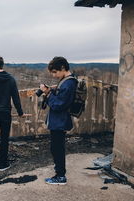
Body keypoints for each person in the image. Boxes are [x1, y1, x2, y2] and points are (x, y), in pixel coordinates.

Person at [39, 56, 77, 185]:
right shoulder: (65, 81)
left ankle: (60, 176)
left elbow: (58, 105)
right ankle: (59, 173)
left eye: (55, 72)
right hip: (58, 121)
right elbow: (60, 98)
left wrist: (48, 93)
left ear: (62, 68)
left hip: (59, 122)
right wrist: (52, 90)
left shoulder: (69, 83)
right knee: (55, 148)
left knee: (57, 149)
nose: (54, 75)